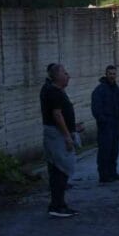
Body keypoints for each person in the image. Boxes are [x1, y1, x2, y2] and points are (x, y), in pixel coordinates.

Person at [40, 63, 84, 217]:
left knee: (58, 169)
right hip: (57, 135)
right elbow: (57, 115)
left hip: (57, 133)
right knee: (61, 169)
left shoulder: (53, 90)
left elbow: (60, 114)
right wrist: (67, 136)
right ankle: (57, 206)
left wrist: (73, 127)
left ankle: (59, 204)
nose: (68, 76)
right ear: (57, 76)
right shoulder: (53, 91)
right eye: (65, 73)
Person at [91, 65, 119, 184]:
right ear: (106, 74)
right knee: (104, 151)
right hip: (105, 126)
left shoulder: (116, 89)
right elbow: (96, 109)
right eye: (110, 74)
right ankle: (104, 175)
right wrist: (103, 121)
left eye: (114, 74)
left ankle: (113, 172)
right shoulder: (99, 90)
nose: (112, 76)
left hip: (115, 124)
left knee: (114, 150)